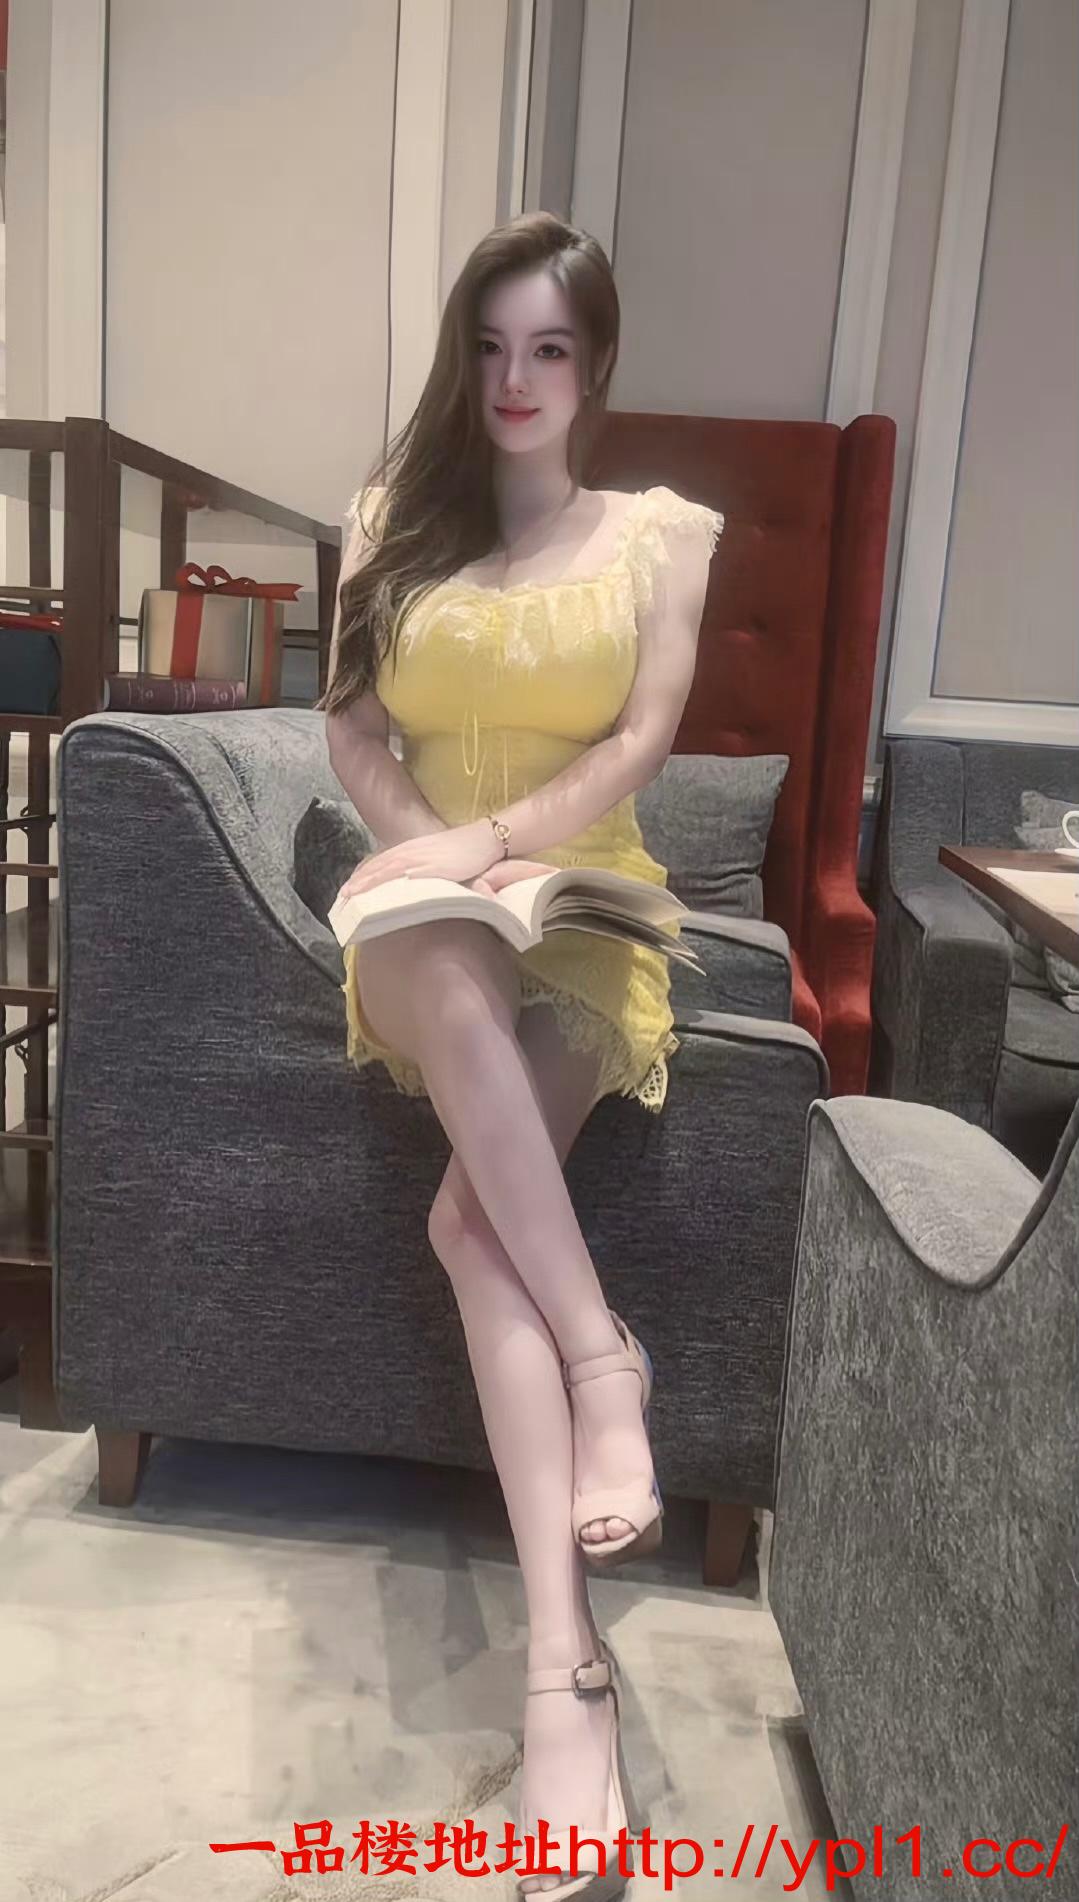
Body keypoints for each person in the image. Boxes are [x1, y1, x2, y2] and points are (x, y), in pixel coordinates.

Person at [316, 210, 723, 1902]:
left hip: (581, 903)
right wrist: (428, 847)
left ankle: (566, 1672)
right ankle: (606, 1362)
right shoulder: (387, 520)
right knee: (435, 946)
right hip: (425, 915)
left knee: (469, 1222)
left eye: (549, 347)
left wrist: (496, 846)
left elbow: (644, 734)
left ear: (596, 364)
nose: (514, 379)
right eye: (489, 346)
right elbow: (350, 725)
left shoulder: (660, 535)